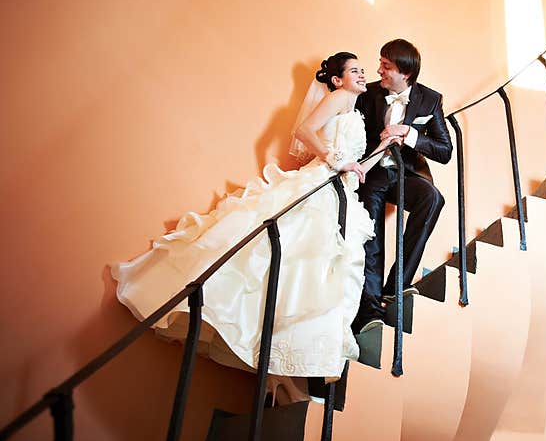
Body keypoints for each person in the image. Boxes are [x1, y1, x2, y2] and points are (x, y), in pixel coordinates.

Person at [112, 52, 402, 386]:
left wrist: (383, 146)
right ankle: (265, 343)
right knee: (296, 258)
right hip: (320, 183)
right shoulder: (338, 98)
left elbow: (357, 171)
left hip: (343, 192)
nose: (363, 75)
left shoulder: (356, 114)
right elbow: (304, 130)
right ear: (337, 80)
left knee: (320, 269)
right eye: (354, 71)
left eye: (362, 70)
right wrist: (334, 159)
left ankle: (289, 357)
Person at [352, 39, 453, 333]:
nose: (379, 70)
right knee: (371, 236)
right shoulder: (367, 93)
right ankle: (369, 310)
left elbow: (444, 151)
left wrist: (409, 133)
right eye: (380, 63)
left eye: (386, 66)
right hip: (372, 175)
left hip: (407, 173)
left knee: (433, 199)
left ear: (405, 73)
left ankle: (397, 286)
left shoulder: (430, 100)